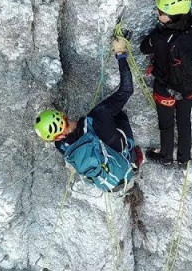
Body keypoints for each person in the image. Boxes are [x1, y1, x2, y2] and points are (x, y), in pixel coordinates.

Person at [34, 36, 144, 191]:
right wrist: (120, 54)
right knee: (120, 115)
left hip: (110, 182)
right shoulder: (97, 117)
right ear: (63, 116)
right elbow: (127, 90)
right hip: (121, 154)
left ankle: (127, 163)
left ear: (55, 137)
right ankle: (133, 156)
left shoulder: (61, 145)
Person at [140, 0, 192, 167]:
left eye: (161, 12)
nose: (157, 13)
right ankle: (184, 159)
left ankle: (165, 156)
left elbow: (144, 48)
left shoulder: (161, 38)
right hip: (190, 85)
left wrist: (157, 34)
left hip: (166, 88)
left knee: (167, 124)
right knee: (184, 122)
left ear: (172, 17)